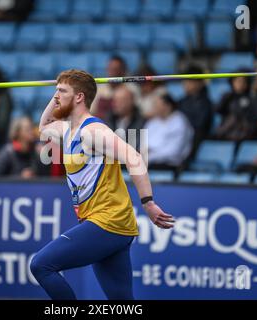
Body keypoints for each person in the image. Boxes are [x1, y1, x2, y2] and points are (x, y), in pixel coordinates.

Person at [31, 69, 175, 300]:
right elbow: (44, 125)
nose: (56, 96)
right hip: (111, 225)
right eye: (55, 91)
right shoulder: (68, 131)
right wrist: (60, 89)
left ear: (79, 97)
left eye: (61, 91)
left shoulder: (93, 132)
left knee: (41, 265)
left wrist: (148, 202)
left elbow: (134, 157)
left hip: (107, 221)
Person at [145, 94, 193, 170]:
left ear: (168, 106)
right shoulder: (153, 122)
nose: (154, 107)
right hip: (150, 161)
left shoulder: (180, 122)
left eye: (157, 104)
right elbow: (144, 144)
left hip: (170, 164)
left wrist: (150, 155)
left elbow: (173, 152)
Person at [90, 55, 140, 121]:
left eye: (116, 69)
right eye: (110, 69)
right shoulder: (99, 89)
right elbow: (92, 111)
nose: (112, 72)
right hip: (102, 125)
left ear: (123, 70)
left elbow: (138, 111)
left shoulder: (132, 88)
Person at [178, 64, 213, 147]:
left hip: (195, 141)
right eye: (184, 81)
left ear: (199, 83)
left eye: (188, 81)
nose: (185, 84)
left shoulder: (205, 103)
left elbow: (199, 126)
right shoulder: (182, 101)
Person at [214, 70, 253, 141]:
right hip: (226, 130)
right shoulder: (227, 96)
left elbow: (247, 115)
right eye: (238, 81)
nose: (240, 84)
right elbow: (218, 110)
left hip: (242, 131)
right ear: (232, 82)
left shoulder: (249, 98)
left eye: (243, 82)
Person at [105, 84, 146, 151]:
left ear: (131, 101)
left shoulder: (142, 122)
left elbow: (137, 148)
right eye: (114, 100)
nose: (115, 104)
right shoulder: (108, 119)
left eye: (121, 100)